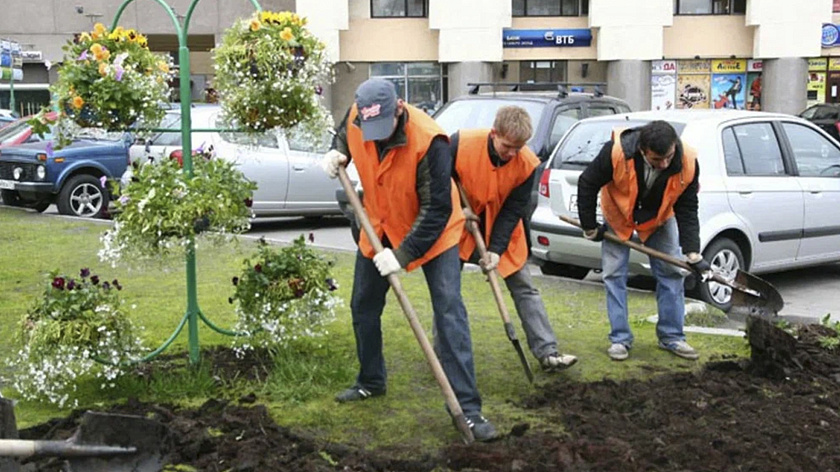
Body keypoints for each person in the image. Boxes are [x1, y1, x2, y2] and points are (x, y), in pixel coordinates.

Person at [322, 79, 497, 441]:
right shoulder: (358, 115)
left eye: (384, 130)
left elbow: (435, 210)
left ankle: (469, 409)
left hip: (434, 236)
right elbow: (343, 135)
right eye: (371, 131)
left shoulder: (430, 141)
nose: (378, 138)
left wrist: (400, 256)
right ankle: (371, 380)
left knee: (449, 311)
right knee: (363, 306)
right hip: (379, 225)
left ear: (399, 108)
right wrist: (336, 151)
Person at [450, 106, 578, 373]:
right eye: (507, 146)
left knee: (524, 288)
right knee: (447, 293)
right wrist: (455, 209)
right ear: (494, 133)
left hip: (502, 228)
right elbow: (439, 181)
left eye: (519, 147)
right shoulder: (460, 144)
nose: (512, 153)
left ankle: (548, 352)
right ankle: (449, 358)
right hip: (458, 227)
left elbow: (513, 210)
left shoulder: (527, 163)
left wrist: (496, 250)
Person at [576, 120, 711, 362]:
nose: (665, 164)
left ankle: (672, 336)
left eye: (669, 157)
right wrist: (589, 226)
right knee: (614, 275)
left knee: (671, 274)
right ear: (642, 150)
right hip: (619, 214)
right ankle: (620, 339)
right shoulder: (616, 152)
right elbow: (587, 182)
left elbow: (688, 207)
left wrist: (692, 252)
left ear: (674, 146)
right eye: (657, 160)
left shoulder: (688, 162)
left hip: (660, 217)